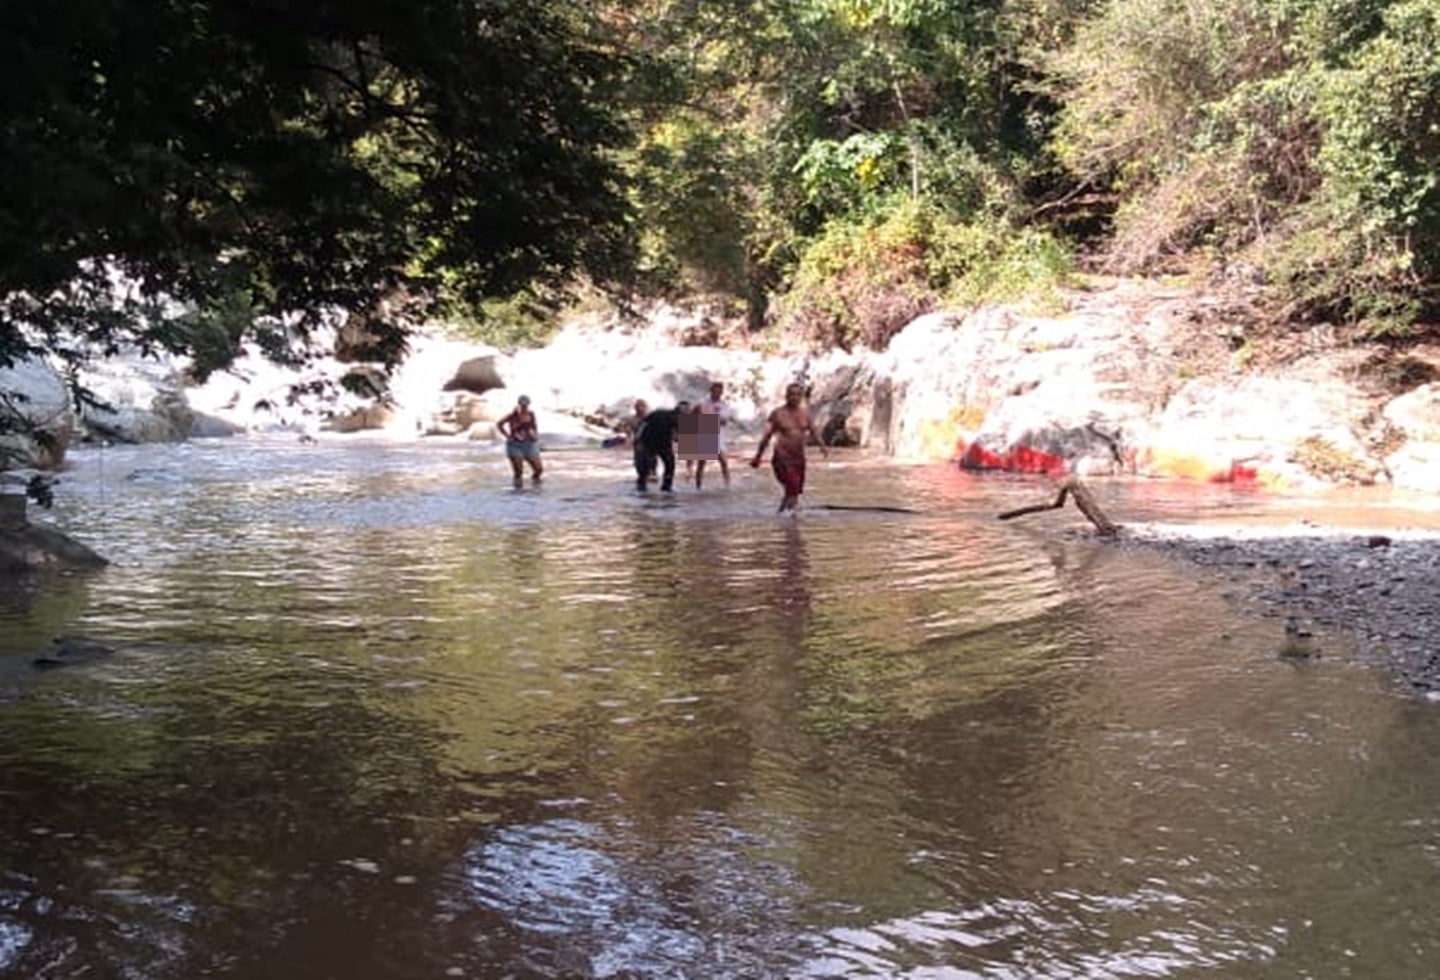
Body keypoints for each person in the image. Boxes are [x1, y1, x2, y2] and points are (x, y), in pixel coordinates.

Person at [750, 383, 828, 513]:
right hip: (782, 457)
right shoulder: (778, 414)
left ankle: (784, 518)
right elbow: (766, 437)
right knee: (793, 487)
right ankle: (789, 521)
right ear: (786, 396)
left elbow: (814, 431)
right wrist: (758, 457)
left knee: (793, 492)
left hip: (798, 458)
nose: (794, 397)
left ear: (802, 396)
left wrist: (822, 447)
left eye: (797, 394)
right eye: (791, 394)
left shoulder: (805, 414)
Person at [633, 401, 688, 492]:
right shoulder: (672, 418)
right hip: (652, 442)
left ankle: (643, 485)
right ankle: (665, 486)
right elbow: (678, 437)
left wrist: (638, 440)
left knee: (664, 464)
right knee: (667, 465)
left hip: (656, 443)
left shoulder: (659, 412)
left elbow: (642, 425)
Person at [497, 394, 543, 485]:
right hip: (515, 445)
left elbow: (534, 427)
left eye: (526, 405)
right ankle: (518, 495)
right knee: (518, 472)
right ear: (519, 404)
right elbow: (499, 424)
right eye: (522, 405)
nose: (524, 407)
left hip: (530, 444)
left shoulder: (531, 414)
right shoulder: (513, 415)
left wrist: (536, 436)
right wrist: (507, 436)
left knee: (539, 469)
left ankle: (536, 487)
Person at [693, 381, 731, 489]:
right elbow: (696, 413)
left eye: (720, 391)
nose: (718, 393)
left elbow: (724, 421)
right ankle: (698, 486)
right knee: (702, 462)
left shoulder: (723, 404)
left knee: (723, 461)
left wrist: (709, 417)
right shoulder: (703, 401)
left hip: (718, 434)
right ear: (711, 391)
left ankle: (727, 485)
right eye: (716, 391)